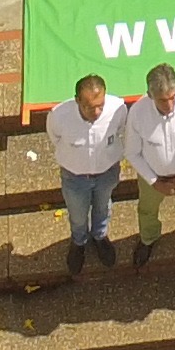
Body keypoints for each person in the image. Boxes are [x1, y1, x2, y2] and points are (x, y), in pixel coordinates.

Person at [122, 62, 175, 264]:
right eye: (162, 100)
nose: (169, 106)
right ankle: (148, 238)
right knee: (147, 209)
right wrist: (154, 181)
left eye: (172, 98)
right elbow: (132, 152)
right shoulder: (137, 113)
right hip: (151, 176)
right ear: (150, 95)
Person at [46, 72, 127, 274]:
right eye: (90, 107)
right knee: (78, 214)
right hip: (75, 177)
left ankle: (100, 236)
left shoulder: (118, 108)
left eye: (100, 105)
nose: (97, 111)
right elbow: (55, 138)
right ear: (77, 101)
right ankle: (79, 242)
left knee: (103, 206)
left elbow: (120, 130)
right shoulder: (59, 116)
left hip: (107, 173)